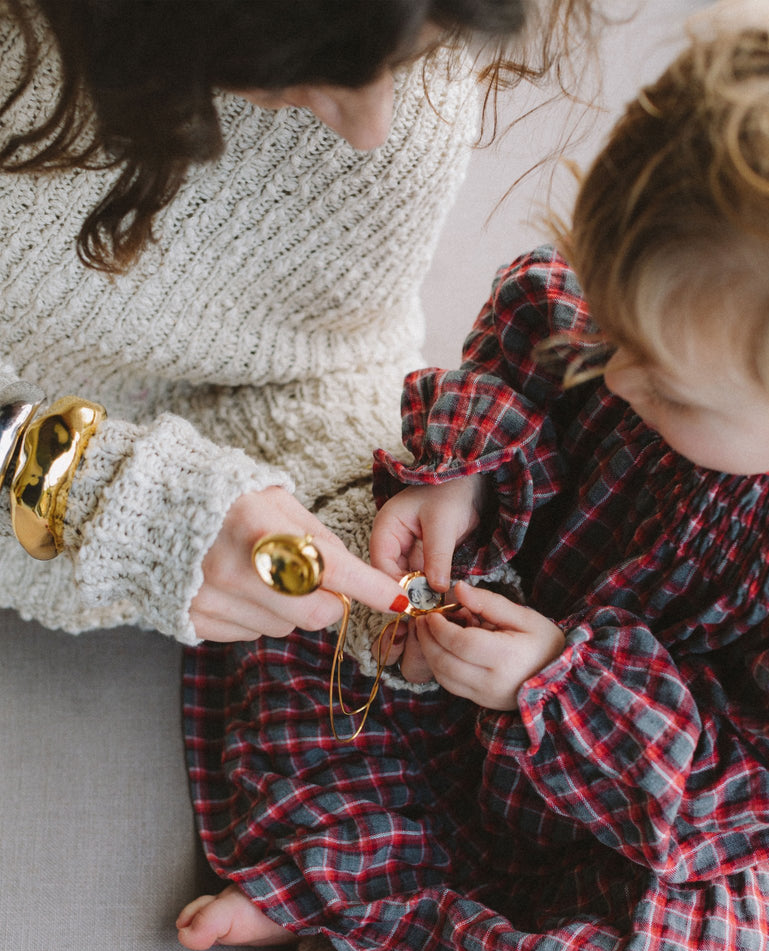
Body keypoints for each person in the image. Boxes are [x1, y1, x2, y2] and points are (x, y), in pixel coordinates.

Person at [176, 1, 769, 951]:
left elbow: (750, 790)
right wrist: (461, 476)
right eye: (614, 335)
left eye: (673, 392)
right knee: (314, 587)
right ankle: (337, 878)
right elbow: (522, 344)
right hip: (447, 684)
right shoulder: (628, 327)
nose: (621, 381)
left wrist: (558, 682)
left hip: (635, 817)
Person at [0, 0, 595, 649]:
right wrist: (94, 494)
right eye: (311, 67)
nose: (372, 128)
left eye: (408, 58)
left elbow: (328, 358)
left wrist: (353, 537)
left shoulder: (407, 69)